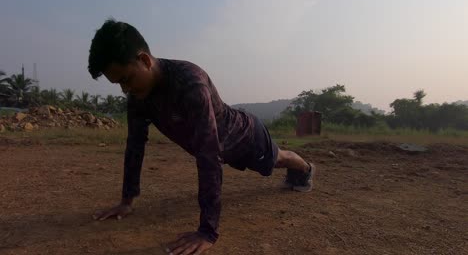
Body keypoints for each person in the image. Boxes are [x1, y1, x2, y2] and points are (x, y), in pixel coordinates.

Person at [88, 19, 315, 255]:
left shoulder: (189, 83)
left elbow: (208, 155)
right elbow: (135, 145)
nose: (125, 90)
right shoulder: (138, 97)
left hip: (244, 136)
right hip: (218, 145)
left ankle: (306, 169)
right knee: (271, 159)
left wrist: (208, 231)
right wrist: (127, 201)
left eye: (126, 79)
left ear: (144, 60)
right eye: (118, 84)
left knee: (277, 158)